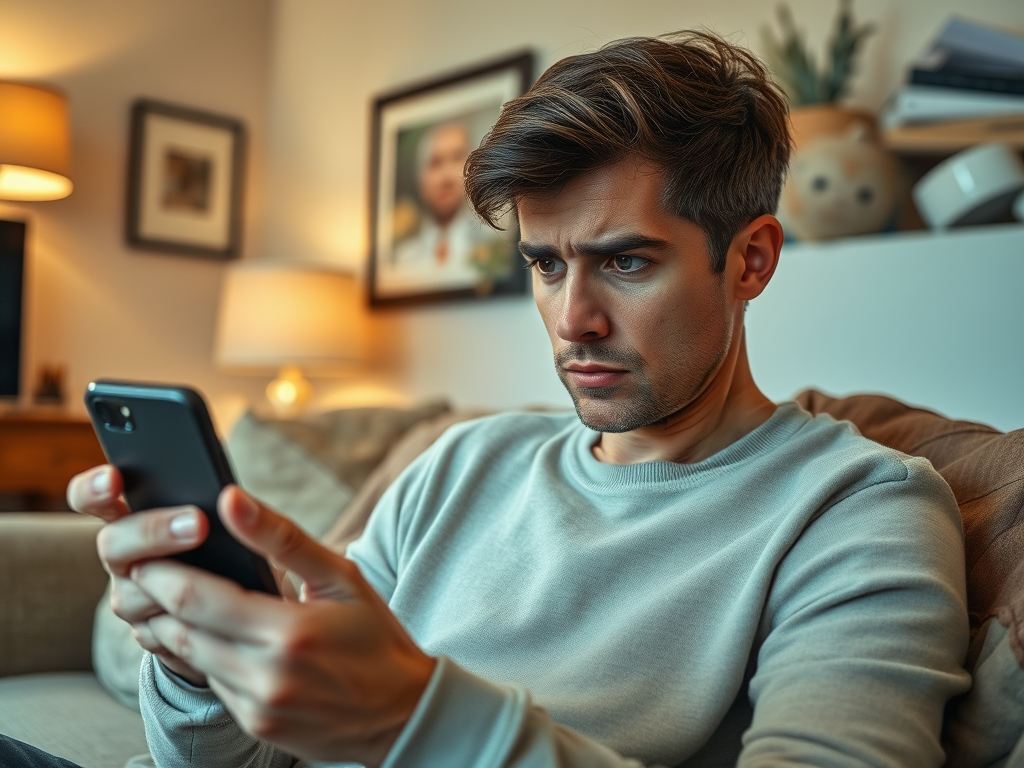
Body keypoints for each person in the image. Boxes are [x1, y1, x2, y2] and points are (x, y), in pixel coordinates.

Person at [11, 30, 970, 768]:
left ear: (750, 259)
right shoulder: (464, 463)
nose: (573, 319)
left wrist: (418, 716)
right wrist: (197, 668)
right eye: (545, 266)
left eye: (625, 262)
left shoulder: (861, 508)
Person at [380, 120, 505, 296]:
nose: (446, 177)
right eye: (435, 162)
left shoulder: (496, 247)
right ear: (419, 179)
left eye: (456, 158)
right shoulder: (402, 258)